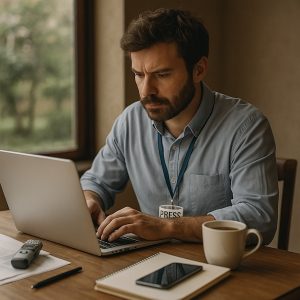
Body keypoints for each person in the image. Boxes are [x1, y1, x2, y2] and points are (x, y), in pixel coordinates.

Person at [80, 8, 278, 245]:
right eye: (138, 75)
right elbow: (95, 182)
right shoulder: (130, 121)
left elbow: (260, 216)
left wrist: (168, 227)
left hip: (223, 269)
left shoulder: (246, 127)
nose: (146, 91)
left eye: (161, 75)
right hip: (152, 264)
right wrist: (89, 198)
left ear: (199, 70)